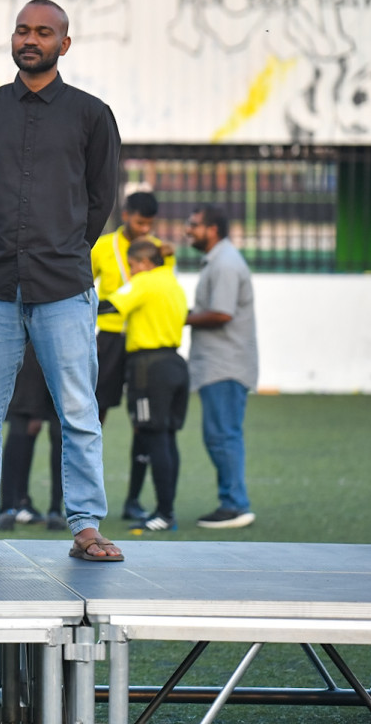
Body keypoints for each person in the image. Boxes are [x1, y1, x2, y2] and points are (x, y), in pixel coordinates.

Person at [0, 0, 124, 564]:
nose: (31, 38)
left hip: (64, 287)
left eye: (44, 32)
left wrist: (62, 248)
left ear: (64, 44)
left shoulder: (93, 115)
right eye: (23, 29)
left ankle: (87, 526)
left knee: (78, 411)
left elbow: (100, 201)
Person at [91, 190, 176, 522]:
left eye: (150, 225)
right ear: (126, 215)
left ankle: (133, 500)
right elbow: (84, 285)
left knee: (144, 423)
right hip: (110, 339)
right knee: (95, 416)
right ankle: (87, 495)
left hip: (143, 342)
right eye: (141, 223)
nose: (145, 230)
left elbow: (163, 289)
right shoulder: (101, 247)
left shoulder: (159, 251)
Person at [101, 239, 189, 532]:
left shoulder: (145, 282)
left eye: (132, 266)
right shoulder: (171, 283)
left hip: (148, 368)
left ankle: (164, 514)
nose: (130, 272)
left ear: (144, 263)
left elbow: (111, 305)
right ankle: (167, 510)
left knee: (153, 437)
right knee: (167, 436)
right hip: (175, 363)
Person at [185, 204, 258, 529]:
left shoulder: (225, 263)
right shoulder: (218, 260)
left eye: (194, 225)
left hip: (225, 366)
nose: (189, 230)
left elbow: (221, 313)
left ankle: (235, 505)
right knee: (220, 435)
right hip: (218, 365)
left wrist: (177, 317)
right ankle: (232, 501)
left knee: (223, 436)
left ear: (212, 229)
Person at [0, 345, 65, 532]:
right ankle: (14, 505)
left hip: (54, 346)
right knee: (26, 424)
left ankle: (52, 509)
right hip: (44, 346)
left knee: (60, 433)